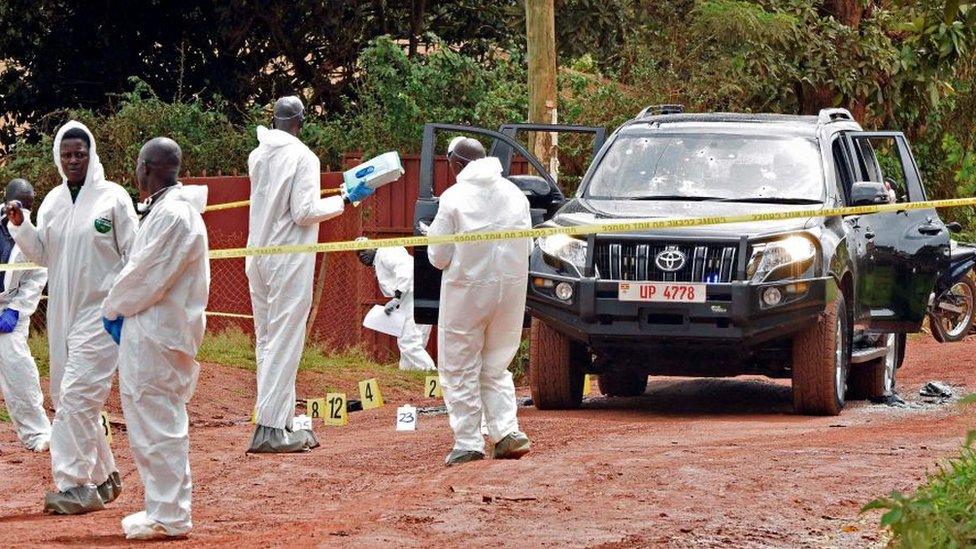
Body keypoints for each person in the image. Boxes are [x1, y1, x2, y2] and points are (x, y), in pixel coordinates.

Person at [6, 121, 137, 514]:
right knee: (70, 396)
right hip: (64, 313)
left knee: (77, 399)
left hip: (102, 316)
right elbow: (43, 255)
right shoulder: (53, 202)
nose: (73, 160)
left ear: (91, 153)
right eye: (67, 154)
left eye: (80, 153)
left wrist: (124, 307)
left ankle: (75, 483)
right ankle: (104, 477)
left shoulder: (113, 199)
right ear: (58, 159)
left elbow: (134, 255)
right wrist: (21, 227)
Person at [246, 96, 375, 453]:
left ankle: (279, 420)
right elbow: (303, 212)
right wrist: (346, 200)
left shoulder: (258, 154)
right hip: (287, 257)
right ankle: (270, 429)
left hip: (257, 254)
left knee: (268, 340)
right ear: (302, 121)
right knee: (285, 340)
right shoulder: (304, 156)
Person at [102, 137, 209, 540]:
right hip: (151, 331)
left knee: (159, 423)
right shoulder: (166, 212)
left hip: (158, 334)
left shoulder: (174, 217)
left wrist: (111, 308)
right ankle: (160, 508)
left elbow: (144, 277)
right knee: (149, 421)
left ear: (145, 168)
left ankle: (171, 516)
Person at [426, 137, 532, 466]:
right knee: (496, 365)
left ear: (455, 164)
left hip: (467, 294)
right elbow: (527, 247)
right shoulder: (515, 194)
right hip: (509, 293)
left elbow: (439, 257)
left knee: (459, 367)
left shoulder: (453, 198)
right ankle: (506, 433)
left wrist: (431, 235)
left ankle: (468, 441)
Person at [0, 179, 50, 452]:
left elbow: (37, 276)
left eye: (30, 205)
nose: (24, 210)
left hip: (11, 308)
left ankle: (37, 433)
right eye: (20, 203)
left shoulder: (33, 234)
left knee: (18, 368)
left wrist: (15, 310)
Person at [356, 238, 435, 371]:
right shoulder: (382, 257)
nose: (361, 255)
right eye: (358, 254)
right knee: (418, 338)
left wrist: (397, 296)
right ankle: (408, 373)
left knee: (408, 341)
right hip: (419, 290)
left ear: (374, 247)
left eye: (363, 250)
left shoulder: (385, 251)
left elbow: (405, 267)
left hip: (413, 292)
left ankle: (430, 372)